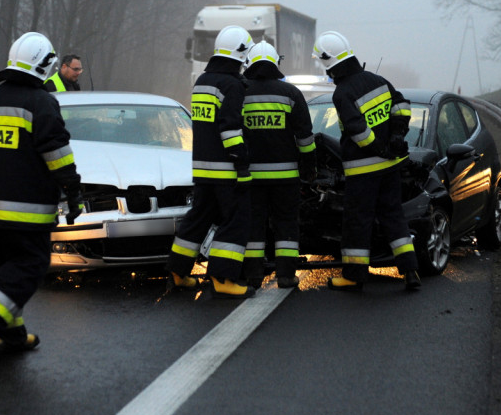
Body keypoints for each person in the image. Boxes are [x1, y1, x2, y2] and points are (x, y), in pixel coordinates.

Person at [0, 32, 84, 353]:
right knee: (30, 266)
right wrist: (73, 193)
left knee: (3, 274)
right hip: (29, 208)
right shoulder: (42, 103)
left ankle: (11, 335)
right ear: (44, 66)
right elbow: (58, 156)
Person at [312, 30, 421, 291]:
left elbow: (357, 130)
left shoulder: (342, 94)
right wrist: (396, 135)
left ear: (329, 63)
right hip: (391, 168)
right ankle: (410, 271)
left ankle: (353, 276)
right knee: (394, 217)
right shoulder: (378, 79)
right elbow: (402, 106)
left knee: (357, 222)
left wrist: (378, 147)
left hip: (363, 172)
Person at [165, 25, 255, 298]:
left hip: (202, 168)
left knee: (197, 219)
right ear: (240, 54)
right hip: (226, 170)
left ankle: (179, 273)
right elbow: (229, 128)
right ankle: (223, 278)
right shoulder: (232, 85)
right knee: (235, 221)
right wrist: (242, 163)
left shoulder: (202, 81)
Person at [240, 41, 317, 290]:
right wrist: (309, 168)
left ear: (248, 63)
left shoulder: (240, 93)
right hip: (286, 178)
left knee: (254, 225)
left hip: (250, 177)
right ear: (276, 63)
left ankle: (252, 276)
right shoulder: (291, 94)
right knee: (286, 224)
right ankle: (285, 275)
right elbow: (305, 137)